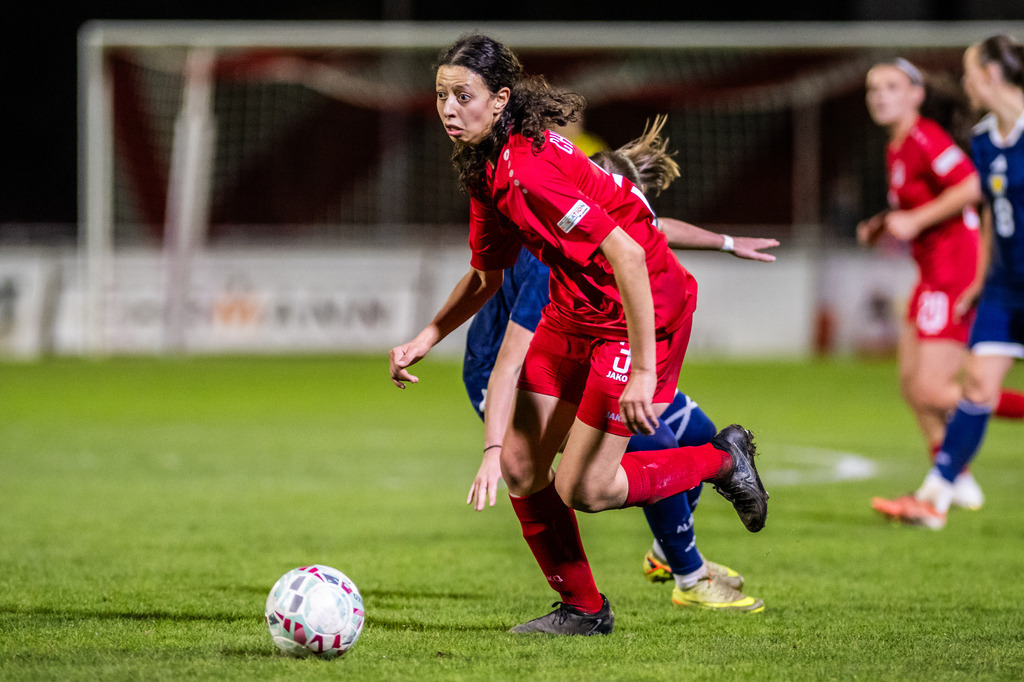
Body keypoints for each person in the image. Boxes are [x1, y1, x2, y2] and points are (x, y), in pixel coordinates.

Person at [389, 34, 769, 635]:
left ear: (500, 99)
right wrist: (427, 336)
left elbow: (630, 254)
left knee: (585, 489)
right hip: (576, 308)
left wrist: (642, 369)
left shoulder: (529, 169)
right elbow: (487, 276)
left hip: (641, 311)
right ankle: (585, 611)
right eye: (441, 95)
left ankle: (722, 461)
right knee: (520, 463)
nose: (448, 109)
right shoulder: (487, 165)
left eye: (463, 95)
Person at [462, 116, 779, 613]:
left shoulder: (611, 216)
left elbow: (655, 229)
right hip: (511, 372)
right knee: (641, 448)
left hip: (597, 343)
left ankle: (667, 549)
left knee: (694, 427)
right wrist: (493, 447)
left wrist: (725, 242)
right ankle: (689, 574)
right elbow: (508, 362)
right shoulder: (556, 250)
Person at [858, 58, 1024, 517]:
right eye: (873, 88)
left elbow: (971, 186)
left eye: (891, 87)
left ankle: (949, 479)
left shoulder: (924, 137)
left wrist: (914, 220)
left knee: (933, 389)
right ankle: (956, 478)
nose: (880, 96)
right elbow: (922, 203)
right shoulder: (897, 146)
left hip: (955, 271)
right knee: (911, 385)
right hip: (930, 273)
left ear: (917, 95)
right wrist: (886, 223)